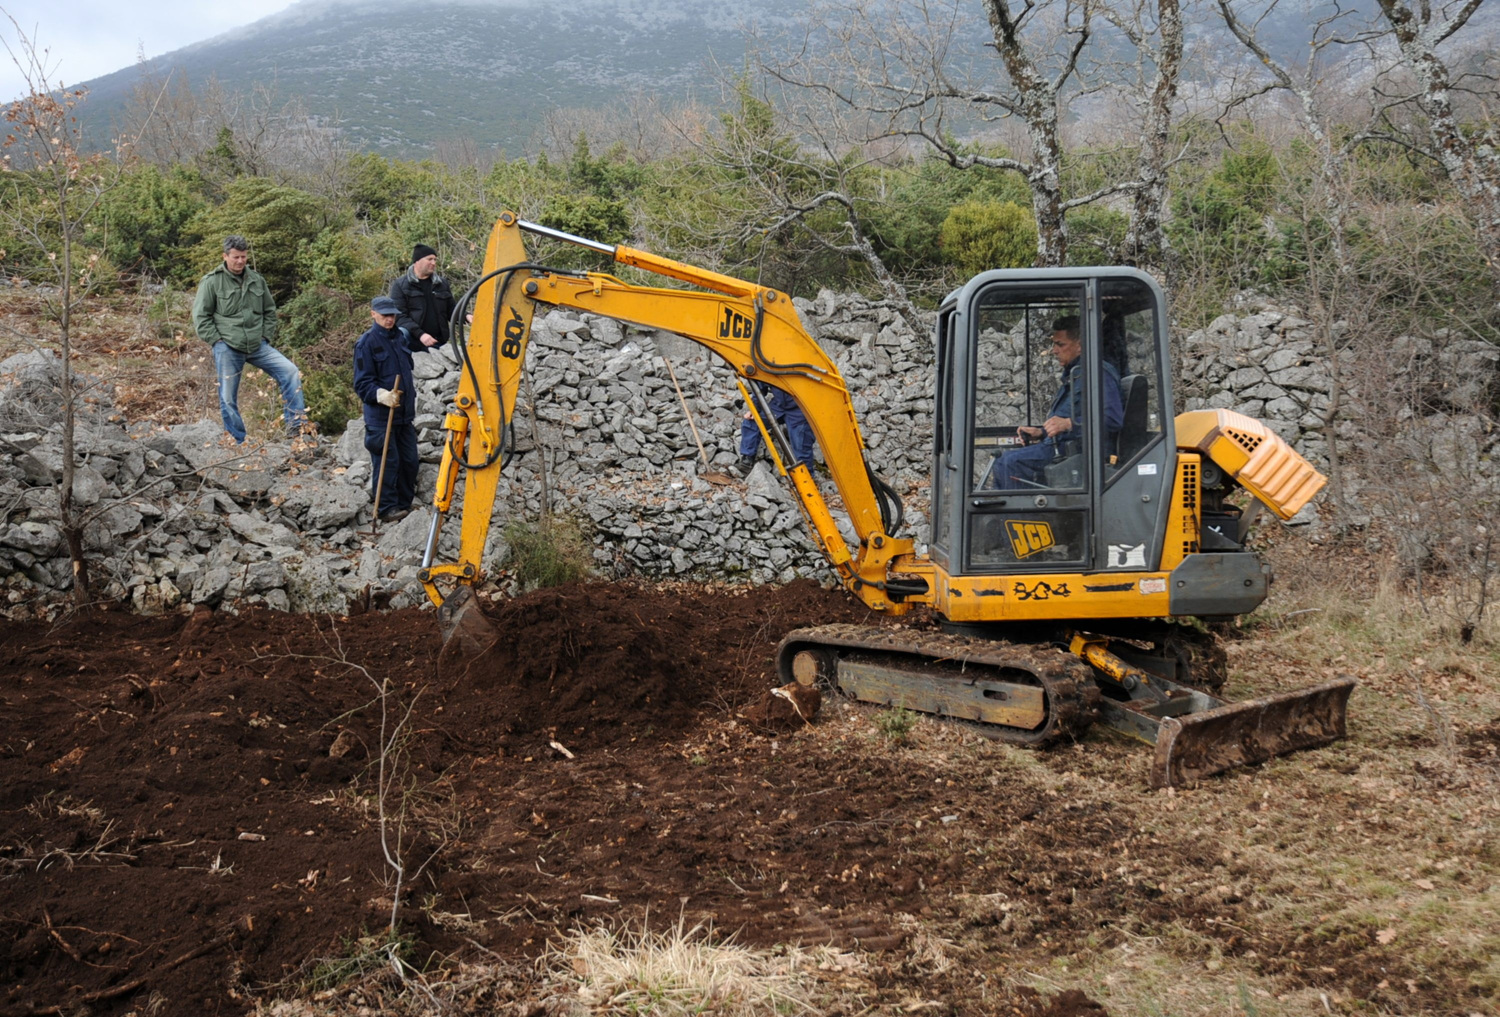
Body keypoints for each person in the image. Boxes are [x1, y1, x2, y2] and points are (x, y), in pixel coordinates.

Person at [984, 316, 1123, 490]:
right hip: (1062, 448)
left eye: (1060, 344)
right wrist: (1041, 432)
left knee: (1009, 463)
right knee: (1002, 460)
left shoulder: (1098, 373)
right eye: (1054, 344)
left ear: (1080, 345)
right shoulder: (1075, 375)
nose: (1054, 351)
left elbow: (1113, 420)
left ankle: (1022, 515)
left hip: (1082, 453)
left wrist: (1068, 424)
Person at [192, 235, 307, 442]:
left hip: (257, 345)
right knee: (227, 397)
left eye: (243, 257)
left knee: (290, 372)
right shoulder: (212, 281)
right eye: (235, 257)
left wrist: (265, 336)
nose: (240, 261)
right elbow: (201, 317)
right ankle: (238, 441)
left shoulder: (257, 280)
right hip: (227, 345)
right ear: (225, 256)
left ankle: (297, 429)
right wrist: (218, 342)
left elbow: (269, 311)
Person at [353, 295, 423, 522]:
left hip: (404, 416)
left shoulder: (400, 338)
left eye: (392, 315)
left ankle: (404, 504)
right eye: (384, 315)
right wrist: (382, 395)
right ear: (373, 314)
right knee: (387, 463)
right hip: (381, 419)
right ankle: (385, 509)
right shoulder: (366, 344)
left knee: (410, 461)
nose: (389, 319)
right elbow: (362, 384)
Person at [389, 243, 457, 349]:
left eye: (435, 260)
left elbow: (452, 310)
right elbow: (399, 317)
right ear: (417, 261)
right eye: (429, 259)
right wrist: (420, 334)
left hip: (437, 341)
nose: (433, 263)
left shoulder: (441, 283)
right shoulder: (400, 285)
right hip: (412, 340)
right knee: (401, 332)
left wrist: (466, 316)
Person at [737, 384, 815, 477]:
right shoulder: (768, 369)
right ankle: (747, 460)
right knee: (752, 422)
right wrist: (755, 409)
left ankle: (806, 478)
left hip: (800, 410)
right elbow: (759, 386)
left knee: (801, 444)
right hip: (779, 406)